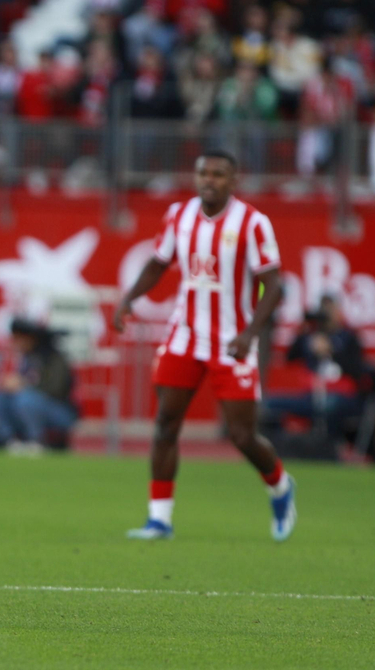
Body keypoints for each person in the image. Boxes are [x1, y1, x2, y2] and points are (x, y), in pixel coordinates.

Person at [111, 150, 296, 541]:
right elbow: (159, 263)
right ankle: (159, 519)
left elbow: (274, 284)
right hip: (184, 336)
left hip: (233, 340)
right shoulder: (179, 215)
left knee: (242, 436)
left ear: (233, 180)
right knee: (165, 423)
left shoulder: (253, 223)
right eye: (203, 173)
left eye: (218, 174)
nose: (209, 180)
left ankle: (280, 485)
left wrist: (250, 334)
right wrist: (129, 297)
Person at [263, 296, 369, 443]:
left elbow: (357, 371)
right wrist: (302, 330)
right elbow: (289, 358)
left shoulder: (349, 337)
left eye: (330, 310)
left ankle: (329, 447)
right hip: (311, 395)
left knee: (329, 404)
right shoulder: (311, 336)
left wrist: (331, 351)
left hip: (341, 395)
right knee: (268, 403)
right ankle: (284, 447)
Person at [0, 318, 77, 452]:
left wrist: (24, 385)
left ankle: (36, 441)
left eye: (18, 338)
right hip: (27, 404)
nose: (14, 342)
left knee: (26, 399)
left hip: (60, 411)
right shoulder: (26, 358)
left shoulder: (54, 358)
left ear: (29, 338)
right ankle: (8, 441)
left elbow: (57, 389)